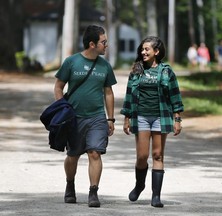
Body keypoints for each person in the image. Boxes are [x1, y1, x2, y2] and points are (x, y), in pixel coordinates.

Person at [54, 25, 117, 208]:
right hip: (74, 118)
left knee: (95, 152)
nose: (106, 45)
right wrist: (61, 107)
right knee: (73, 155)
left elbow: (108, 92)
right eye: (103, 42)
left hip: (97, 117)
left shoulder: (105, 66)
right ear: (92, 44)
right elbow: (58, 87)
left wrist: (110, 119)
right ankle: (70, 185)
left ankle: (93, 192)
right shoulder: (71, 62)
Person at [120, 36, 184, 208]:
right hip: (140, 117)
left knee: (157, 155)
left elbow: (175, 96)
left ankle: (156, 196)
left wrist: (177, 118)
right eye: (142, 49)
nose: (143, 52)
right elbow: (128, 96)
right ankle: (140, 185)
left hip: (160, 117)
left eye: (147, 49)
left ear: (156, 52)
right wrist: (126, 118)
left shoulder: (166, 72)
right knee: (142, 157)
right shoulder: (136, 71)